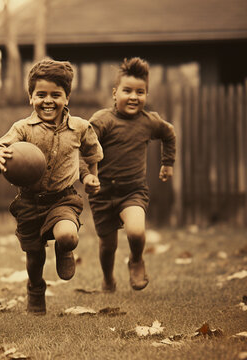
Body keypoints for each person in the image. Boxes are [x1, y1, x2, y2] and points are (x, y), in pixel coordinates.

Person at [0, 59, 103, 315]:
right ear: (30, 97)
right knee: (34, 257)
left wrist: (91, 177)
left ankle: (64, 250)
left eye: (55, 95)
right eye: (41, 94)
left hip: (63, 199)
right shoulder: (23, 128)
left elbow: (92, 151)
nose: (48, 100)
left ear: (67, 97)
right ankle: (36, 289)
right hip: (29, 201)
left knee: (68, 235)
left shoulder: (80, 127)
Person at [84, 57, 176, 292]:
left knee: (136, 231)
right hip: (102, 193)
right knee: (108, 245)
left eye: (140, 92)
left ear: (146, 94)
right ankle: (108, 279)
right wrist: (88, 174)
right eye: (127, 91)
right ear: (115, 93)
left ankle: (136, 260)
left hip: (132, 191)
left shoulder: (149, 121)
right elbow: (84, 148)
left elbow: (169, 133)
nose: (134, 97)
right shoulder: (102, 121)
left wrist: (167, 163)